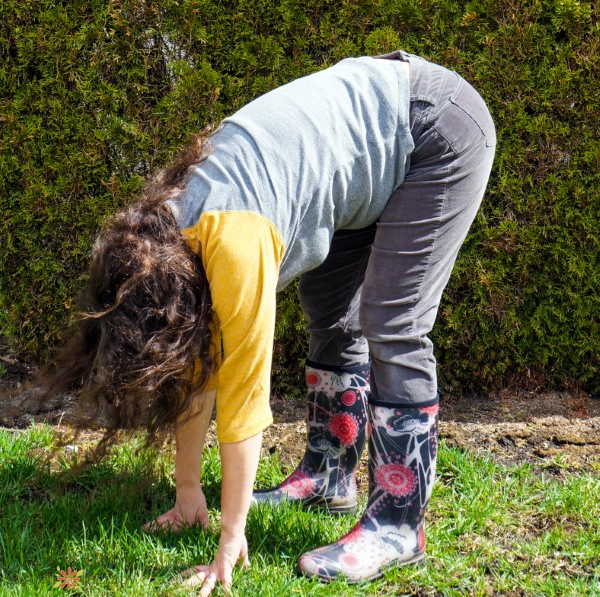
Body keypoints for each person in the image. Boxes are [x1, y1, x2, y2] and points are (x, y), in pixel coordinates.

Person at [24, 50, 495, 592]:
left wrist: (230, 538)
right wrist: (187, 493)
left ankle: (397, 525)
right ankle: (327, 476)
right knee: (332, 311)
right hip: (377, 137)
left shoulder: (234, 244)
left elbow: (243, 396)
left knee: (392, 319)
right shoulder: (167, 238)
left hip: (436, 132)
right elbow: (195, 363)